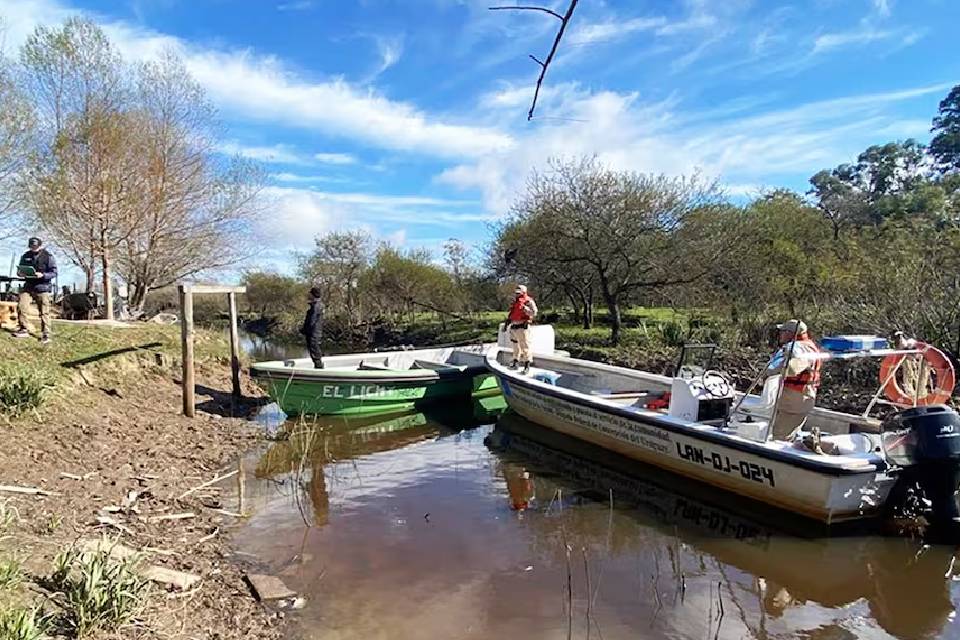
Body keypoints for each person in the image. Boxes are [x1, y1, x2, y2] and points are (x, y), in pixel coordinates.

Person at [765, 319, 821, 441]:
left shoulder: (797, 348)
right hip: (803, 398)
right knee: (788, 433)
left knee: (779, 438)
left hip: (793, 401)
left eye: (783, 331)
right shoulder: (809, 346)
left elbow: (793, 368)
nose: (780, 334)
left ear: (791, 333)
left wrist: (776, 370)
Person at [13, 237, 57, 344]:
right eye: (32, 246)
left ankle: (46, 334)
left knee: (44, 311)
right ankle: (24, 329)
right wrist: (20, 273)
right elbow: (19, 270)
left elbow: (54, 272)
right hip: (28, 285)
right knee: (21, 306)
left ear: (40, 246)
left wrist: (43, 275)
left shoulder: (48, 257)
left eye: (35, 246)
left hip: (42, 286)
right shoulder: (25, 256)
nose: (34, 248)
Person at [504, 284, 538, 374]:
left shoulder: (528, 301)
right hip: (514, 326)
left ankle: (527, 365)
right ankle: (515, 362)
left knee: (525, 347)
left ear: (524, 292)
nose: (517, 294)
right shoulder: (515, 301)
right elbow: (512, 313)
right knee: (515, 346)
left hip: (522, 326)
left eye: (519, 293)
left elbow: (534, 313)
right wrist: (507, 324)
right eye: (516, 293)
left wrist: (525, 309)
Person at [300, 285, 324, 368]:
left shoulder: (316, 306)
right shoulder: (317, 305)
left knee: (314, 350)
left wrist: (305, 330)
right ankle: (318, 366)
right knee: (314, 349)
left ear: (313, 294)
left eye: (310, 293)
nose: (309, 295)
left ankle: (319, 368)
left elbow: (312, 321)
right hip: (315, 332)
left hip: (314, 333)